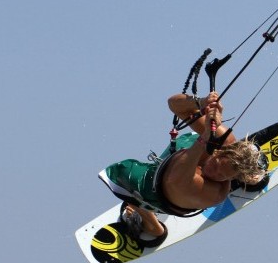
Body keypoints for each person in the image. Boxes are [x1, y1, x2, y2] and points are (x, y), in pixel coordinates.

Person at [99, 92, 267, 245]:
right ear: (219, 152)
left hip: (157, 190)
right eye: (216, 165)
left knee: (120, 171)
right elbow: (173, 104)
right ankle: (247, 174)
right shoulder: (223, 143)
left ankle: (152, 226)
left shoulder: (215, 193)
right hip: (175, 157)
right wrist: (201, 103)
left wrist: (206, 134)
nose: (213, 173)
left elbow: (178, 174)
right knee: (216, 138)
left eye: (222, 176)